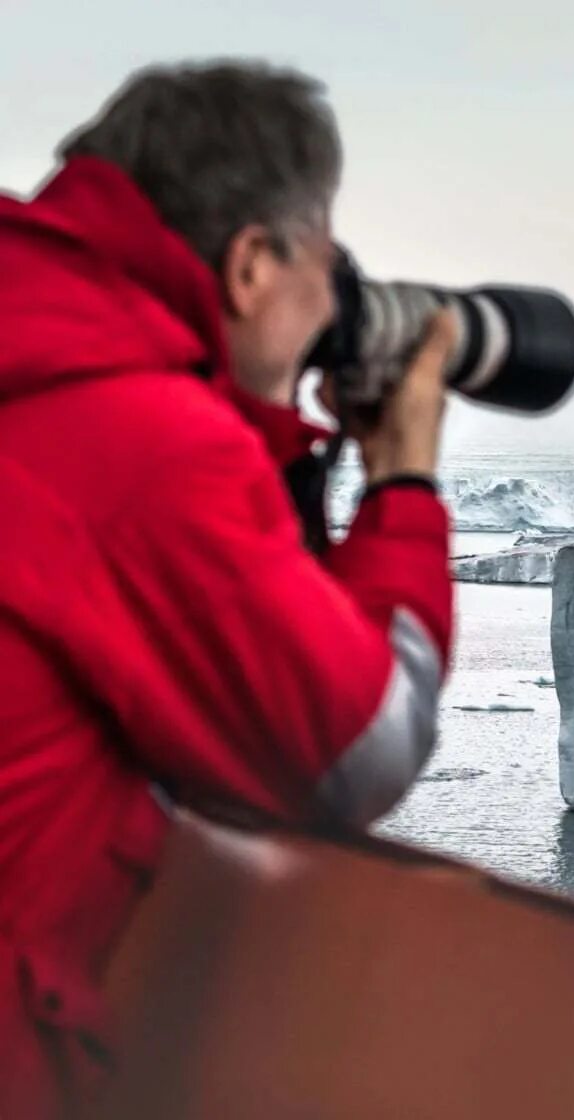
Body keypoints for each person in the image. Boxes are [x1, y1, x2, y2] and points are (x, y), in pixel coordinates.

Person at [0, 60, 456, 1116]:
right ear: (252, 264)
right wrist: (402, 481)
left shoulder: (40, 358)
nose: (333, 304)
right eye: (327, 262)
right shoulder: (145, 442)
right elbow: (359, 746)